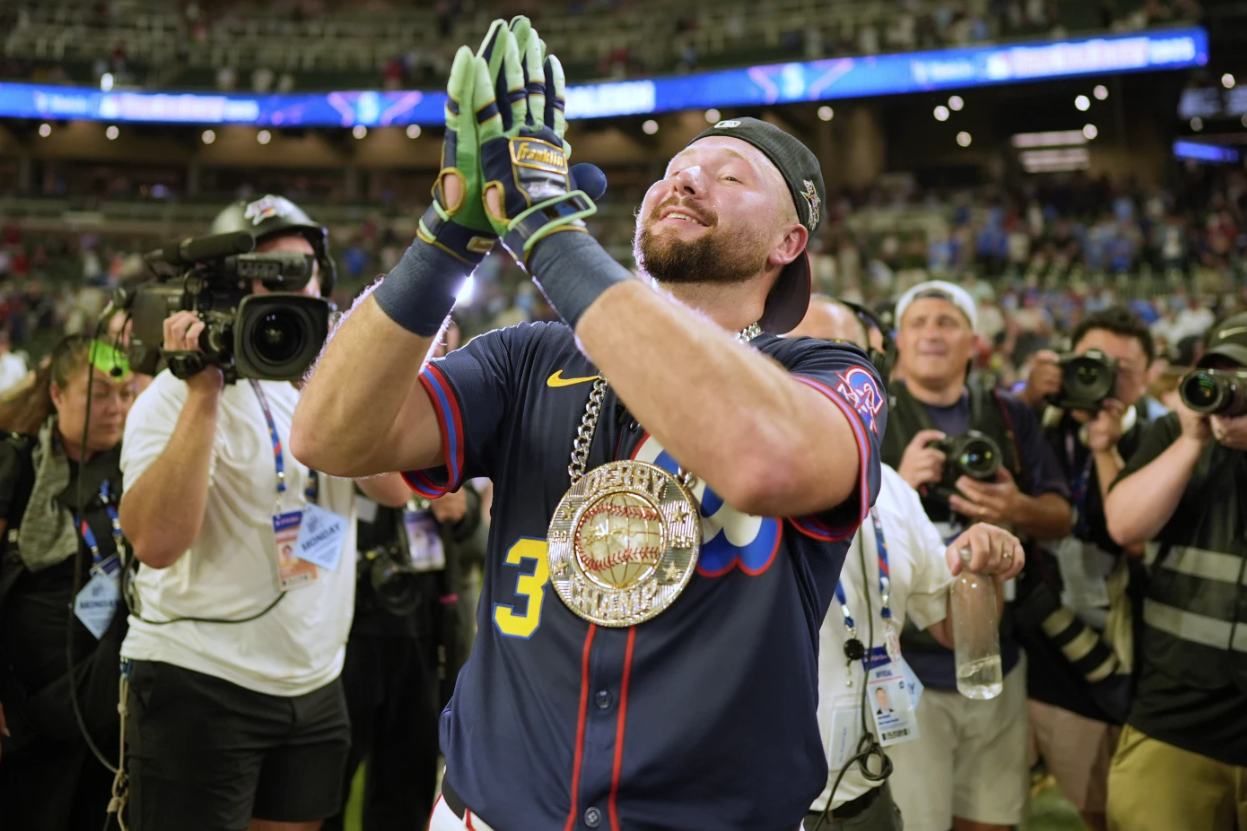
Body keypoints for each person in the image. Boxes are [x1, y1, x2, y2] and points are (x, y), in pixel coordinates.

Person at [293, 18, 887, 831]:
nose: (686, 181)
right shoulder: (529, 358)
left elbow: (762, 460)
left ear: (789, 239)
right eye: (674, 171)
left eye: (730, 175)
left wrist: (547, 235)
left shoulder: (826, 375)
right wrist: (446, 240)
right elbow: (329, 435)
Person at [117, 195, 409, 831]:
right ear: (227, 283)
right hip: (199, 677)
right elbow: (157, 542)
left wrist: (339, 375)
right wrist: (203, 392)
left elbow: (396, 490)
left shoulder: (318, 388)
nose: (291, 287)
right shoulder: (173, 396)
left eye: (303, 272)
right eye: (268, 272)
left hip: (314, 680)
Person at [791, 296, 1025, 831]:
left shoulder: (892, 490)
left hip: (865, 794)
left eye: (839, 354)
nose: (814, 371)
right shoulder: (721, 484)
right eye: (792, 352)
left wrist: (977, 564)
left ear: (876, 379)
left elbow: (950, 627)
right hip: (762, 803)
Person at [879, 280, 1071, 831]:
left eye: (946, 322)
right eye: (918, 323)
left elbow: (1061, 515)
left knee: (993, 820)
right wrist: (898, 487)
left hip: (998, 656)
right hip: (904, 667)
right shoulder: (873, 414)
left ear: (974, 342)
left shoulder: (1008, 414)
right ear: (898, 341)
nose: (931, 333)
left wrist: (1016, 507)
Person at [324, 324, 484, 831]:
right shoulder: (351, 404)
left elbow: (476, 529)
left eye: (446, 342)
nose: (437, 350)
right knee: (328, 780)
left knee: (409, 781)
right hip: (352, 624)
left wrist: (463, 510)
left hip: (426, 626)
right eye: (429, 338)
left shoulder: (462, 411)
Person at [1014, 306, 1164, 831]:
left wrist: (1107, 448)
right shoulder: (1038, 425)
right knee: (1087, 801)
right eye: (1092, 361)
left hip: (1131, 649)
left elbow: (1141, 541)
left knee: (1126, 804)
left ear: (1148, 375)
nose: (1105, 379)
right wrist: (1027, 395)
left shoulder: (1160, 439)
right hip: (1051, 646)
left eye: (1123, 368)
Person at [1103, 312, 1247, 831]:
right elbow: (1124, 525)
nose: (1230, 394)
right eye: (1220, 375)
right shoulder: (1172, 433)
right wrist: (1191, 441)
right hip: (1176, 716)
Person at [0, 335, 137, 829]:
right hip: (28, 705)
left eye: (125, 394)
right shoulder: (16, 465)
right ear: (57, 396)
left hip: (113, 703)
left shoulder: (139, 466)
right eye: (99, 394)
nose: (116, 408)